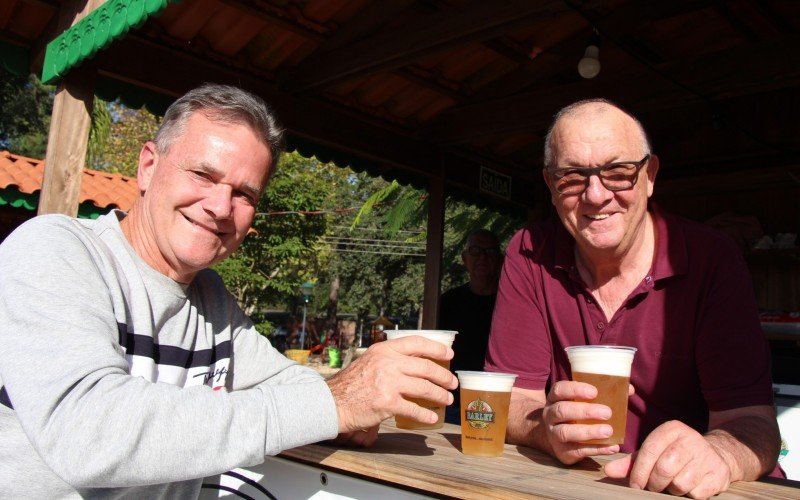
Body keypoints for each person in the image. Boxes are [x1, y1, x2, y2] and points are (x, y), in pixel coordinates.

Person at [0, 83, 456, 498]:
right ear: (147, 166)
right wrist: (333, 403)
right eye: (202, 174)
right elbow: (86, 432)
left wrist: (349, 405)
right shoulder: (54, 249)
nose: (220, 207)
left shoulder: (209, 299)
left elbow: (287, 382)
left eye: (245, 194)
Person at [485, 98, 780, 498]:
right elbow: (511, 401)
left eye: (618, 172)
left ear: (650, 175)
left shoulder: (712, 258)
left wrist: (719, 454)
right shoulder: (529, 252)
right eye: (572, 177)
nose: (595, 195)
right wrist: (543, 428)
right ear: (551, 187)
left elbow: (755, 426)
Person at [439, 229, 502, 423]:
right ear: (465, 258)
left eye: (490, 252)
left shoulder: (511, 304)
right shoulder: (447, 302)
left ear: (500, 259)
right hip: (452, 404)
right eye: (475, 251)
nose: (482, 257)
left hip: (496, 404)